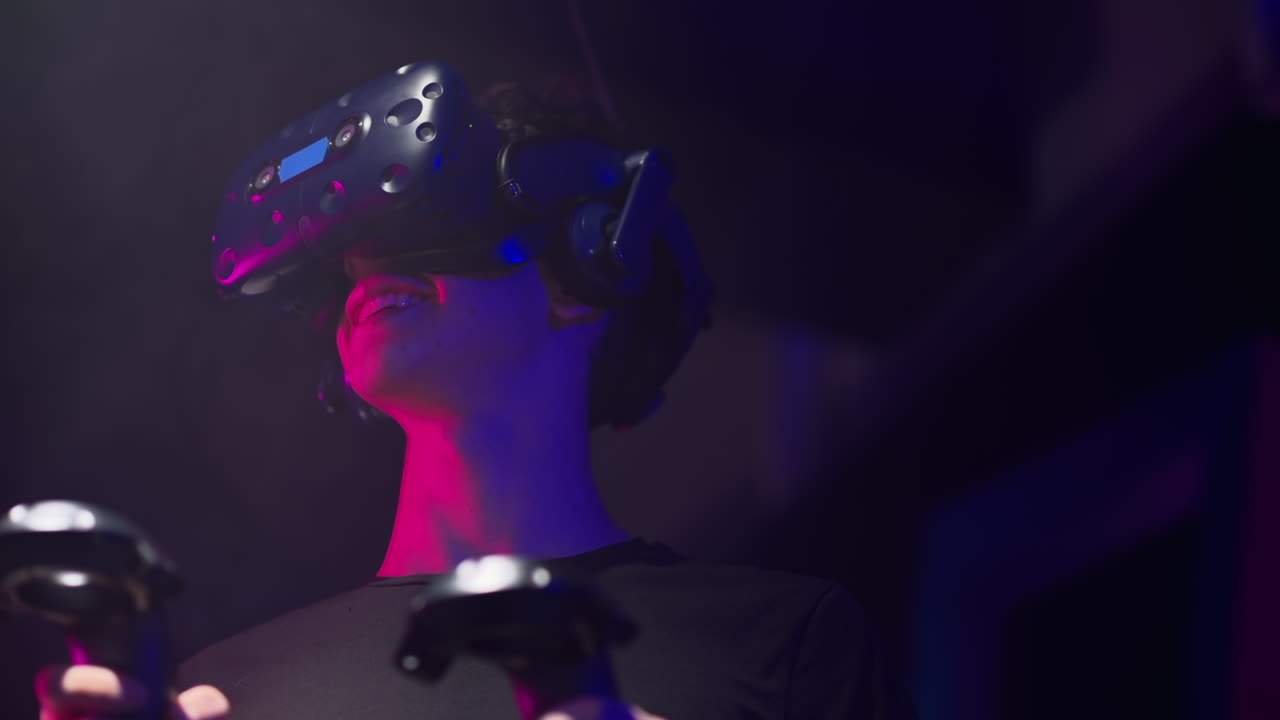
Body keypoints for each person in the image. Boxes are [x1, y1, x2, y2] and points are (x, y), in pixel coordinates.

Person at [33, 70, 916, 719]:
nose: (369, 264)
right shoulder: (222, 690)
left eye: (437, 220)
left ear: (586, 271)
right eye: (350, 256)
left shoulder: (780, 643)